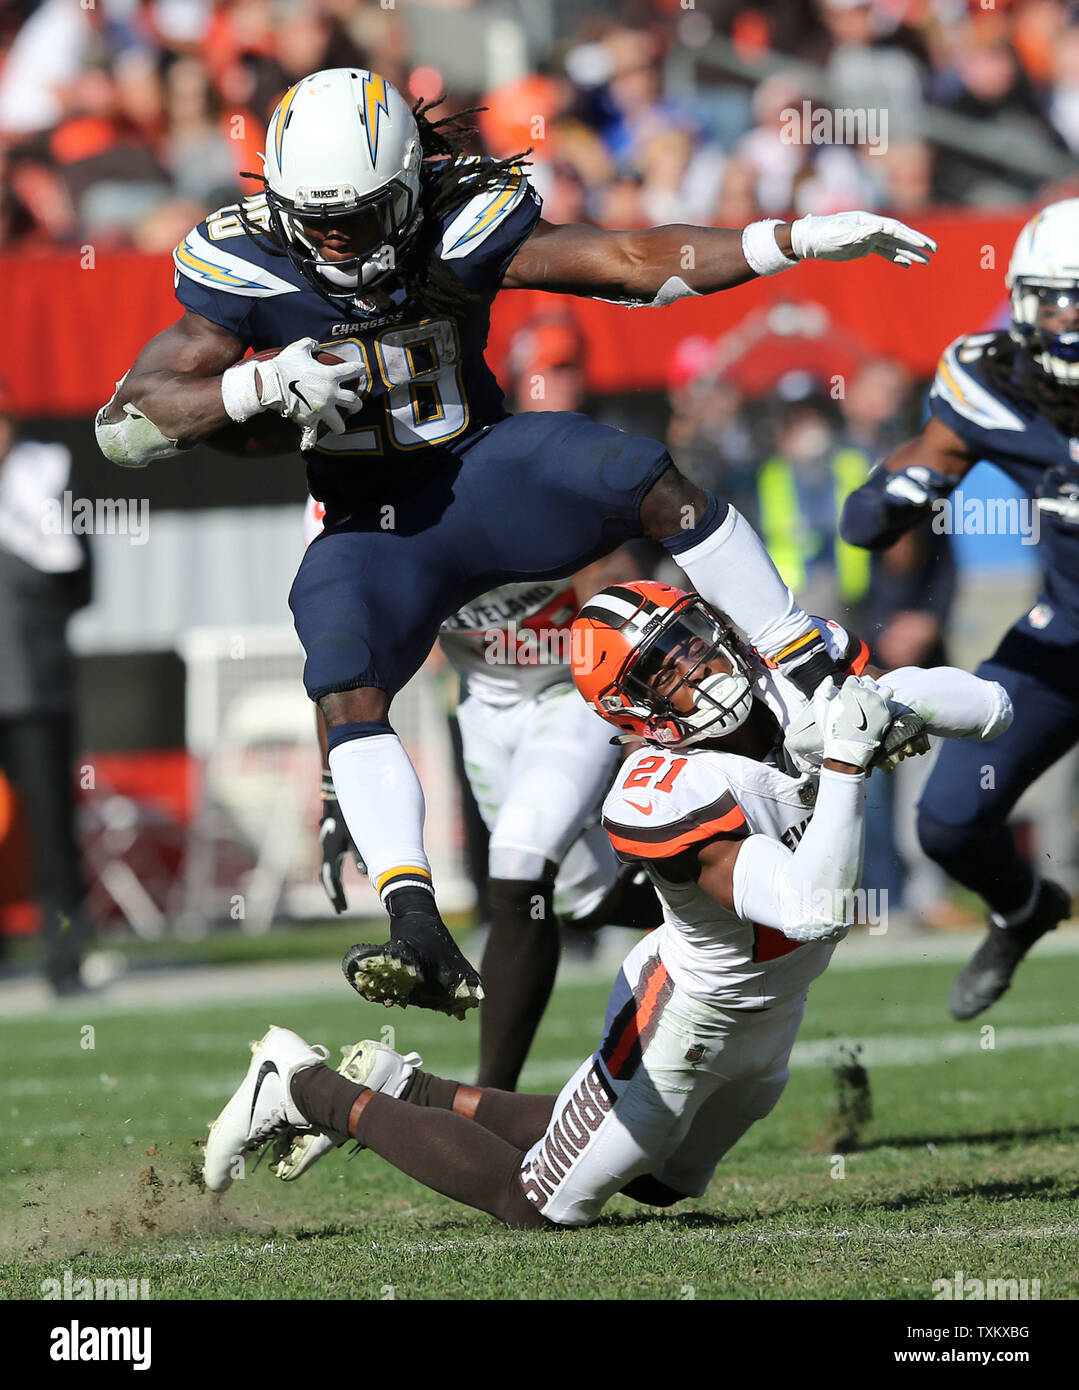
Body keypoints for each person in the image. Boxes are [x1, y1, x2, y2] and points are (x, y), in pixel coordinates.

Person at [95, 67, 937, 1019]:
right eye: (312, 219)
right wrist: (249, 388)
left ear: (409, 190)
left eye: (359, 218)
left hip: (482, 471)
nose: (333, 242)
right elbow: (124, 427)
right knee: (340, 665)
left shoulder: (461, 220)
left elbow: (626, 260)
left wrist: (789, 239)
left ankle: (810, 672)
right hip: (375, 521)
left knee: (639, 477)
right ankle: (413, 918)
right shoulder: (244, 264)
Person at [202, 580, 1010, 1225]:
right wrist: (843, 763)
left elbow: (992, 708)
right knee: (537, 1203)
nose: (692, 670)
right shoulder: (658, 790)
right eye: (662, 671)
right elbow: (813, 909)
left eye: (688, 646)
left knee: (657, 1183)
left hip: (774, 1009)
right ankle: (306, 1086)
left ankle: (411, 1088)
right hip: (683, 1015)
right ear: (638, 712)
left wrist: (888, 703)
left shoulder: (790, 680)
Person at [841, 198, 1079, 1020]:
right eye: (1052, 298)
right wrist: (893, 496)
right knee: (945, 823)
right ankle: (1023, 908)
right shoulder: (991, 377)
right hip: (1067, 640)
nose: (1066, 319)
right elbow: (872, 512)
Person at [0, 386, 92, 995]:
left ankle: (64, 962)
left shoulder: (45, 479)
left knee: (53, 831)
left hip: (31, 686)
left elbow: (81, 580)